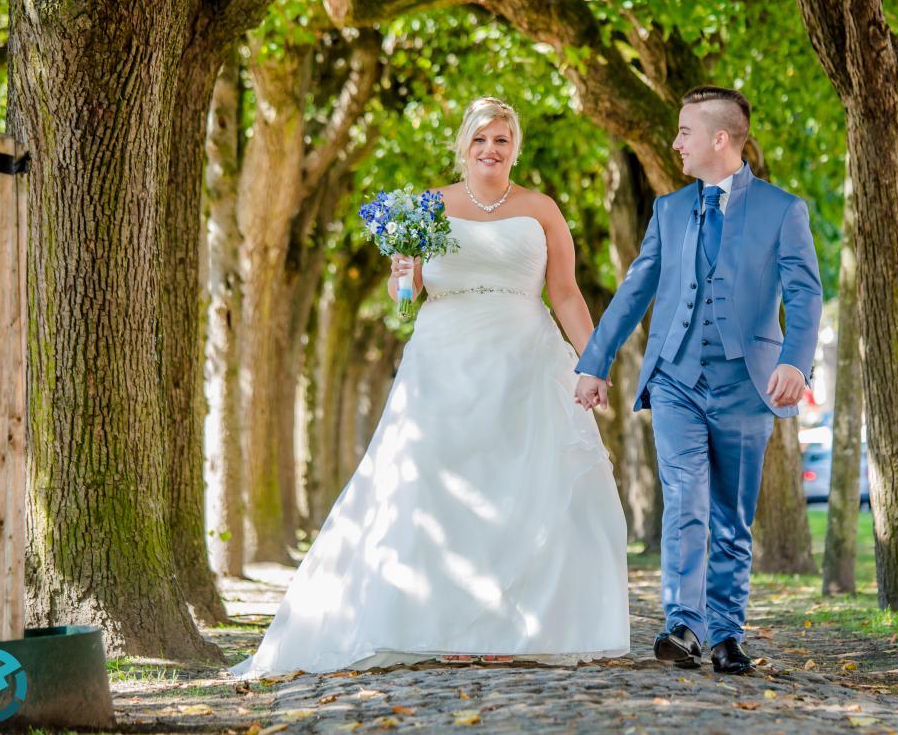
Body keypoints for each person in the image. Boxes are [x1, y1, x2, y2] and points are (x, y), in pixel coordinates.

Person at [230, 97, 629, 677]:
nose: (491, 150)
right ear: (463, 145)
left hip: (525, 356)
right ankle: (443, 623)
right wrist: (403, 275)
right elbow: (405, 298)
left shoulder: (541, 208)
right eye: (481, 139)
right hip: (445, 357)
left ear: (515, 147)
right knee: (437, 485)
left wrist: (595, 362)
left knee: (520, 482)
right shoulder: (428, 207)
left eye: (502, 140)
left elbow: (564, 292)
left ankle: (511, 625)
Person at [573, 86, 822, 675]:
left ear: (720, 138)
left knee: (732, 515)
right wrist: (593, 361)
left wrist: (795, 360)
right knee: (685, 498)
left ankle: (727, 634)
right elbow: (636, 290)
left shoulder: (783, 210)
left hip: (747, 384)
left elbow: (805, 293)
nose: (675, 143)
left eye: (685, 132)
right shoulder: (669, 209)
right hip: (677, 380)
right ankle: (683, 625)